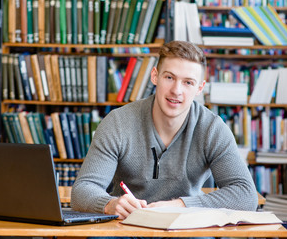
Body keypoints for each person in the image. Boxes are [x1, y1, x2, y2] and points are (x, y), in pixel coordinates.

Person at [71, 40, 258, 220]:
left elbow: (246, 195)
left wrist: (181, 205)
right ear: (155, 76)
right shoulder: (118, 122)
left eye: (188, 83)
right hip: (126, 224)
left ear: (200, 87)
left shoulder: (212, 129)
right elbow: (82, 190)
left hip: (186, 227)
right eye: (169, 77)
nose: (176, 90)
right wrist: (110, 204)